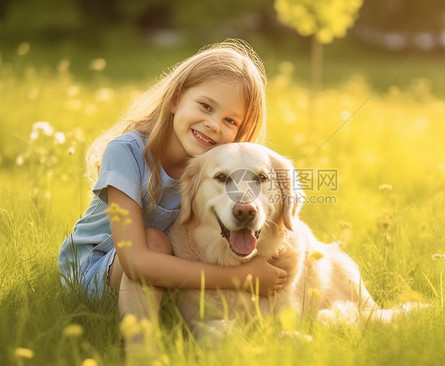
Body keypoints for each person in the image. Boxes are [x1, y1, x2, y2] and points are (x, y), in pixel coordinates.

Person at [58, 39, 287, 332]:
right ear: (176, 98)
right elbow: (136, 261)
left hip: (165, 263)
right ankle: (142, 353)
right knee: (154, 241)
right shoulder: (125, 152)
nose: (214, 125)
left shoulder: (212, 174)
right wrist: (240, 278)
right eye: (205, 106)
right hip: (98, 269)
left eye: (230, 120)